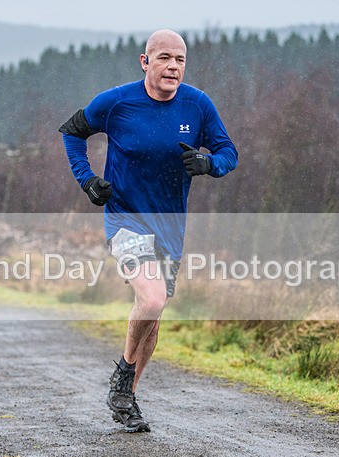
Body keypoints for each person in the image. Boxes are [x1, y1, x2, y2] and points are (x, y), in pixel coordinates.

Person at [59, 29, 238, 432]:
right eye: (164, 58)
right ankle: (124, 375)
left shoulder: (197, 105)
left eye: (180, 60)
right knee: (152, 299)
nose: (173, 66)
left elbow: (229, 153)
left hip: (170, 229)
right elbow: (71, 132)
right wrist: (87, 180)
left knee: (152, 320)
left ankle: (126, 398)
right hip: (125, 219)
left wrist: (209, 164)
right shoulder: (116, 102)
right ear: (145, 62)